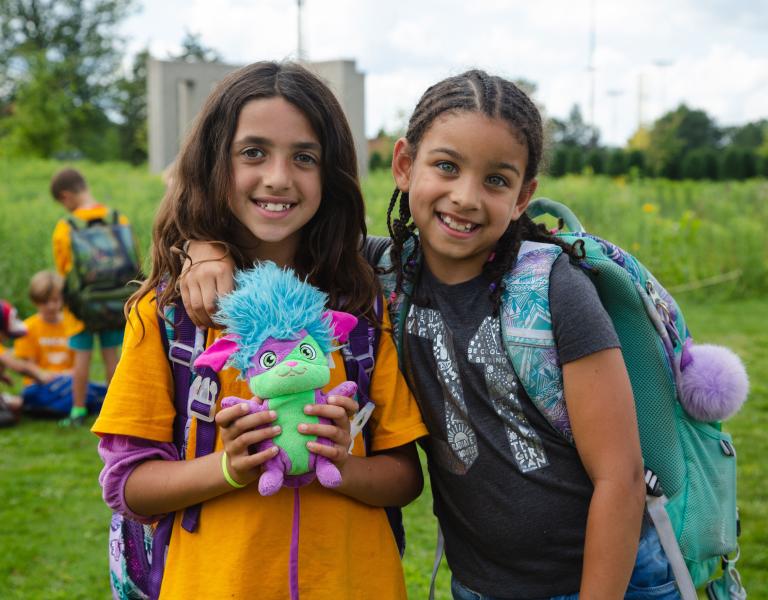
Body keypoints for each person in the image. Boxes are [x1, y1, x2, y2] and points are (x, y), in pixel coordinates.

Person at [182, 70, 680, 599]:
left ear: (522, 196)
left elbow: (619, 477)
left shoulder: (555, 289)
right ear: (403, 165)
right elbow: (279, 238)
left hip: (612, 581)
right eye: (446, 166)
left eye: (496, 180)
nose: (465, 196)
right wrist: (201, 245)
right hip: (479, 584)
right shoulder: (379, 273)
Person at [92, 61, 426, 600]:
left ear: (331, 173)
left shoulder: (359, 311)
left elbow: (405, 475)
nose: (278, 177)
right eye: (253, 152)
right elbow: (128, 484)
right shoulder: (166, 314)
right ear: (213, 165)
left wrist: (341, 461)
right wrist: (228, 467)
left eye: (304, 157)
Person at [50, 167, 126, 426]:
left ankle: (78, 411)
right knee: (111, 356)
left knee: (81, 358)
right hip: (114, 301)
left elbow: (64, 268)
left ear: (66, 196)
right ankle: (114, 410)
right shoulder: (118, 219)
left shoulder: (65, 227)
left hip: (81, 304)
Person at [14, 270, 106, 417]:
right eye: (45, 302)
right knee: (30, 394)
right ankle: (89, 402)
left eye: (55, 300)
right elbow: (28, 366)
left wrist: (67, 375)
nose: (51, 306)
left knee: (92, 387)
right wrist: (48, 375)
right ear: (35, 301)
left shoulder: (72, 325)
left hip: (69, 380)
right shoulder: (28, 328)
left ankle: (68, 405)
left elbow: (78, 364)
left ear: (63, 299)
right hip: (40, 384)